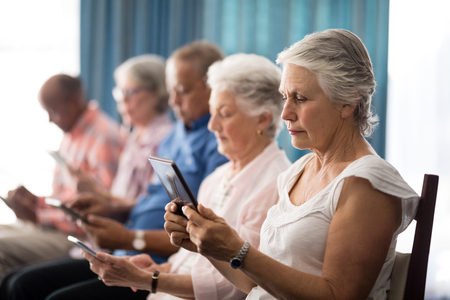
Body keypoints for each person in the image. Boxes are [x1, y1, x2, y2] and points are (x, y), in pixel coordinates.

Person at [162, 29, 421, 300]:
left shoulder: (367, 184)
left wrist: (238, 250)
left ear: (347, 101)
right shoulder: (297, 172)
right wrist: (210, 247)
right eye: (285, 97)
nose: (285, 113)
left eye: (301, 98)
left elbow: (338, 295)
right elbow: (257, 286)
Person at [5, 41, 228, 300]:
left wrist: (130, 238)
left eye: (183, 90)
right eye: (172, 90)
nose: (174, 100)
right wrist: (111, 209)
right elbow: (145, 202)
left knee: (38, 291)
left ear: (213, 88)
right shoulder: (174, 136)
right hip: (126, 247)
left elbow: (206, 231)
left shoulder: (217, 142)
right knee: (20, 283)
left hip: (150, 254)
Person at [81, 53, 292, 300]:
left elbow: (238, 285)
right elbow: (191, 259)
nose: (212, 125)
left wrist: (147, 280)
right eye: (213, 113)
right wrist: (155, 268)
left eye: (224, 114)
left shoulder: (276, 184)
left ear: (263, 118)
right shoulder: (216, 177)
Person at [0, 74, 125, 278]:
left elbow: (101, 212)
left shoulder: (103, 137)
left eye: (53, 111)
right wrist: (37, 202)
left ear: (74, 100)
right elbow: (66, 200)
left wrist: (39, 216)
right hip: (56, 226)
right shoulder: (72, 135)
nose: (50, 119)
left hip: (76, 236)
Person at [77, 54, 174, 203]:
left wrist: (98, 193)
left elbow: (151, 206)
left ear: (155, 92)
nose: (123, 100)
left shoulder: (166, 138)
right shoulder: (135, 135)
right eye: (120, 93)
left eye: (130, 92)